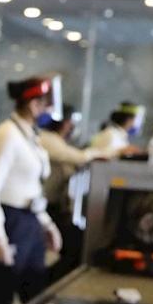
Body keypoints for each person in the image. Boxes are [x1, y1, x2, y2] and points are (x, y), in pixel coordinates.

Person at [0, 76, 63, 304]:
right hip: (10, 222)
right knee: (1, 300)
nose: (49, 112)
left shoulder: (30, 135)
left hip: (30, 220)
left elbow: (31, 187)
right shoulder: (7, 135)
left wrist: (46, 223)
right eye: (47, 105)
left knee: (34, 297)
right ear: (34, 105)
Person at [39, 105, 132, 282]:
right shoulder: (48, 139)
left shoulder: (56, 140)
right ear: (65, 123)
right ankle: (44, 284)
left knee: (76, 246)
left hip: (54, 207)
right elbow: (77, 157)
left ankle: (45, 283)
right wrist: (114, 152)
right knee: (77, 246)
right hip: (45, 208)